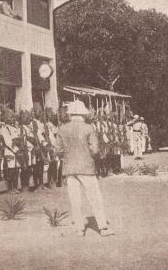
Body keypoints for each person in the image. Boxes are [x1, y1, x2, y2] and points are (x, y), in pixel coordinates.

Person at [53, 100, 115, 237]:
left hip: (69, 167)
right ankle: (103, 227)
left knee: (75, 199)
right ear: (83, 114)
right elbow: (94, 149)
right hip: (86, 166)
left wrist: (68, 155)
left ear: (71, 114)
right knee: (94, 197)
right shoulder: (89, 128)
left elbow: (58, 149)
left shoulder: (62, 128)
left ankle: (79, 228)